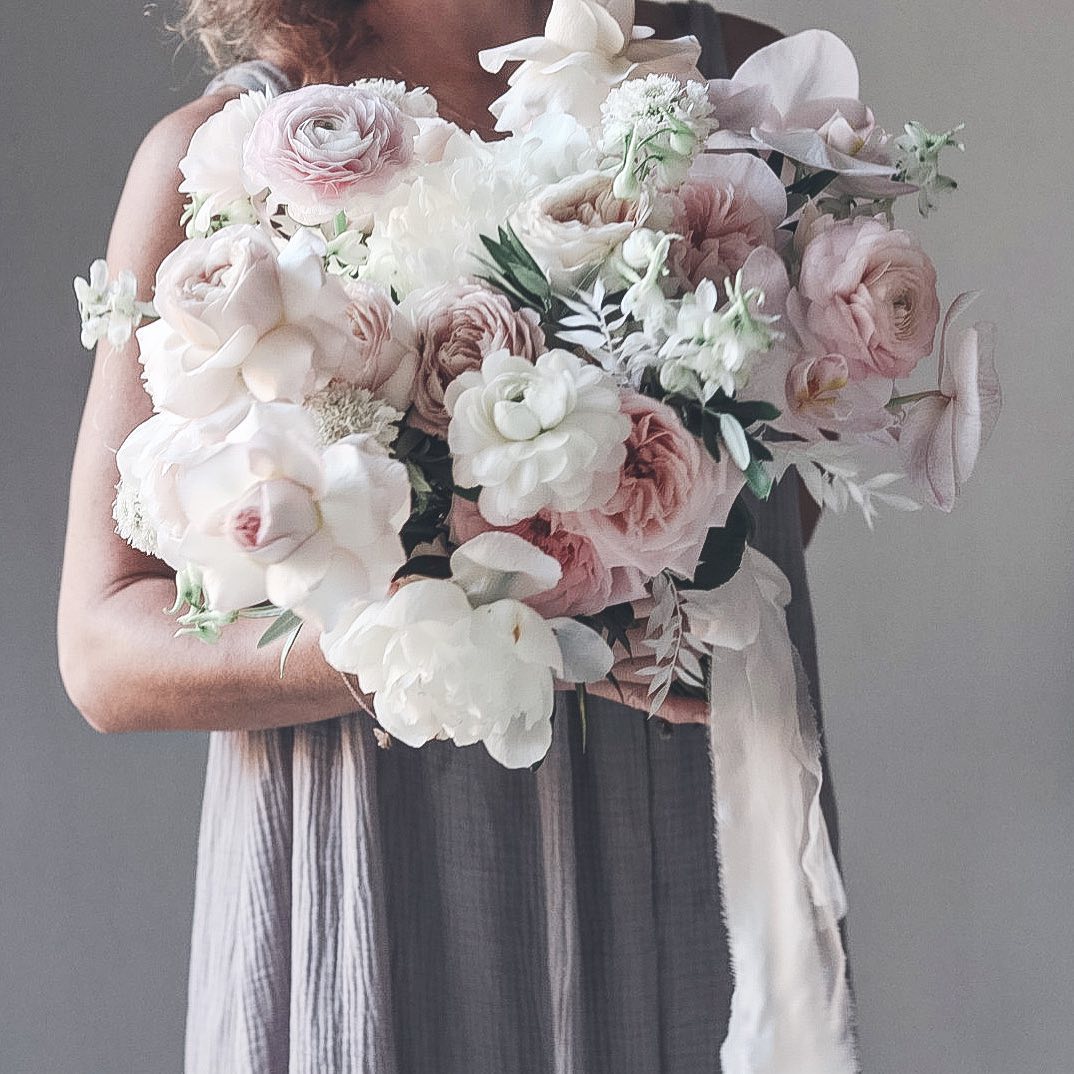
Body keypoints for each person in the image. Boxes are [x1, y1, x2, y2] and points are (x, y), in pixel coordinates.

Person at [57, 2, 839, 1070]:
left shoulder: (755, 83)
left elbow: (787, 499)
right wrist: (445, 638)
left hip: (673, 834)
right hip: (374, 862)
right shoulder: (221, 155)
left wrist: (638, 511)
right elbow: (105, 648)